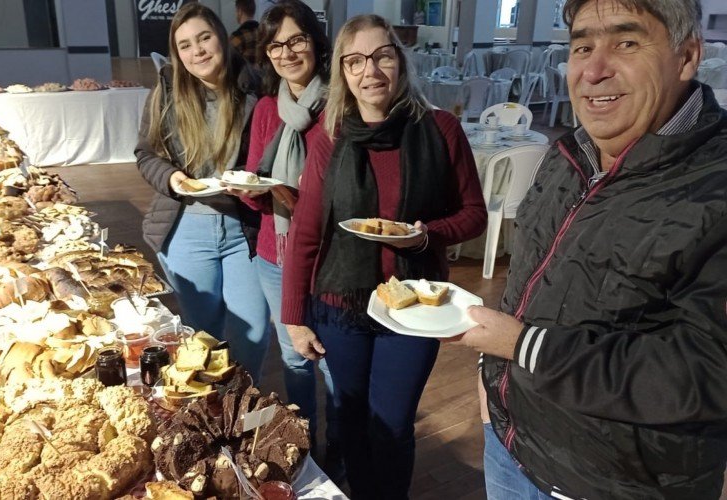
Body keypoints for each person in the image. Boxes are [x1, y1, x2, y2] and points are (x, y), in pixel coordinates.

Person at [453, 0, 727, 498]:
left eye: (626, 42)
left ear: (686, 56)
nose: (594, 70)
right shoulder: (567, 157)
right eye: (582, 46)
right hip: (511, 446)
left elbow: (708, 369)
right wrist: (491, 376)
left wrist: (519, 347)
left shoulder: (716, 184)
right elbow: (531, 284)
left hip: (613, 484)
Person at [280, 14, 487, 499]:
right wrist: (294, 318)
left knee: (392, 426)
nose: (369, 70)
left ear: (399, 62)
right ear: (343, 73)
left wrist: (425, 236)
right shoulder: (329, 138)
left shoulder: (441, 129)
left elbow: (473, 213)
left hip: (413, 306)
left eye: (382, 56)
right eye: (354, 60)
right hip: (338, 305)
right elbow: (307, 232)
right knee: (349, 417)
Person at [224, 0, 343, 478]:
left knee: (334, 364)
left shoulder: (343, 105)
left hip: (330, 260)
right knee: (295, 361)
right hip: (274, 256)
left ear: (316, 41)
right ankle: (304, 445)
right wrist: (250, 191)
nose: (287, 52)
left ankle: (342, 448)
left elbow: (352, 193)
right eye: (276, 44)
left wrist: (299, 200)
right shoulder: (268, 110)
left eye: (297, 40)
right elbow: (257, 184)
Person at [135, 2, 270, 382]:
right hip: (187, 228)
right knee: (202, 339)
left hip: (243, 229)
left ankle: (244, 410)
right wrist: (173, 179)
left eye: (205, 38)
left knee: (254, 335)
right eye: (185, 45)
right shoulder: (166, 89)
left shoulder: (254, 88)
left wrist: (252, 181)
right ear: (177, 53)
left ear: (222, 38)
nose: (198, 51)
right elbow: (145, 154)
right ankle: (212, 416)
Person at [230, 0, 259, 64]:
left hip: (246, 73)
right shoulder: (264, 33)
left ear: (240, 11)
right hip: (265, 73)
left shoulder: (238, 36)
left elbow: (227, 59)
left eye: (236, 11)